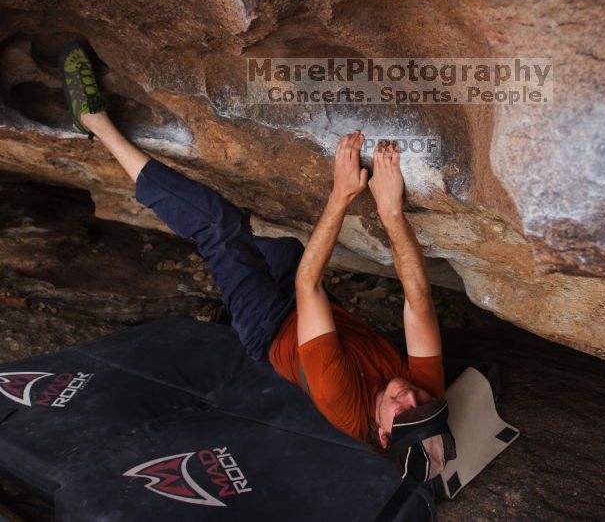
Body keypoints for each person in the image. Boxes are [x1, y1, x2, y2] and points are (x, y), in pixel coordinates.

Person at [60, 42, 454, 482]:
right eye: (423, 403)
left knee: (217, 225)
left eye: (402, 413)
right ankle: (232, 249)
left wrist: (342, 194)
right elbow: (418, 299)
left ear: (382, 435)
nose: (409, 396)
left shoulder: (342, 403)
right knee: (279, 244)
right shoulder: (426, 397)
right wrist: (392, 213)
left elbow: (310, 287)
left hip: (267, 328)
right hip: (314, 314)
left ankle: (95, 123)